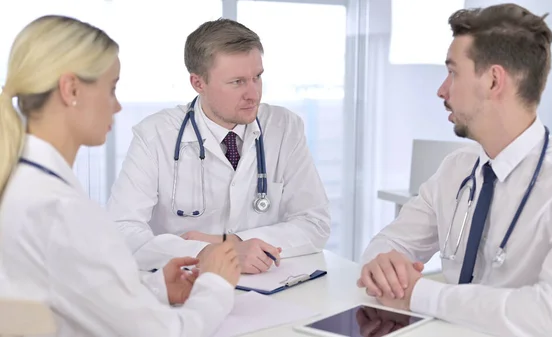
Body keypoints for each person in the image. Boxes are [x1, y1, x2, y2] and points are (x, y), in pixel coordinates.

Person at [357, 4, 552, 337]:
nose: (441, 90)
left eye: (453, 72)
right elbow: (387, 244)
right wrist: (384, 266)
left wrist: (420, 294)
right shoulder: (456, 168)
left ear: (493, 80)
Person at [0, 15, 241, 336]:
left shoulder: (19, 185)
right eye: (111, 89)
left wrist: (153, 288)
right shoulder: (62, 211)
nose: (117, 107)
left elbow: (62, 288)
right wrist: (216, 284)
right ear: (71, 89)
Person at [106, 18, 331, 275]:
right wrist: (205, 253)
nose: (253, 94)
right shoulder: (155, 135)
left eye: (257, 77)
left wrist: (231, 242)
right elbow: (121, 229)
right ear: (198, 83)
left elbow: (315, 223)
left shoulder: (285, 127)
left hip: (268, 286)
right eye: (237, 82)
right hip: (185, 285)